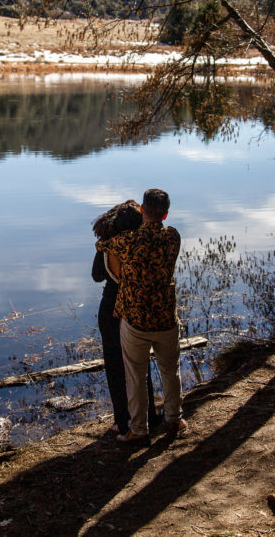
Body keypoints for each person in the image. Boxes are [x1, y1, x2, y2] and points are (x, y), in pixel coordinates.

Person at [96, 188, 186, 443]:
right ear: (166, 215)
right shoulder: (174, 236)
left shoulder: (128, 242)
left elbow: (101, 243)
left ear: (143, 211)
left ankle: (138, 429)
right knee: (171, 369)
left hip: (136, 318)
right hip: (166, 314)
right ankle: (174, 419)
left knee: (135, 374)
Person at [92, 200, 162, 436]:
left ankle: (123, 422)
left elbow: (96, 276)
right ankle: (148, 415)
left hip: (111, 308)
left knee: (115, 367)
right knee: (140, 364)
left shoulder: (107, 244)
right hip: (137, 306)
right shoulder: (143, 243)